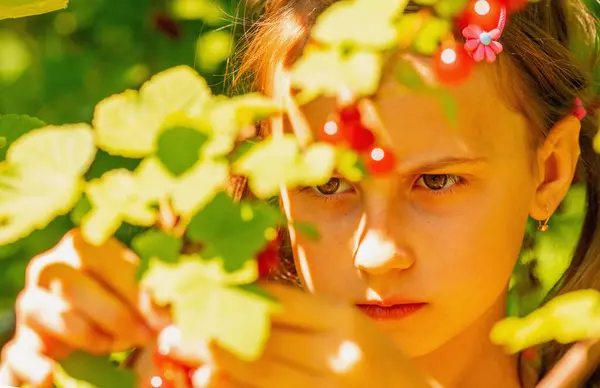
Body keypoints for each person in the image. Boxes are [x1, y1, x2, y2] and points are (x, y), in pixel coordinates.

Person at [1, 0, 599, 387]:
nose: (377, 252)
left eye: (437, 180)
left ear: (549, 173)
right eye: (326, 183)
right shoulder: (190, 369)